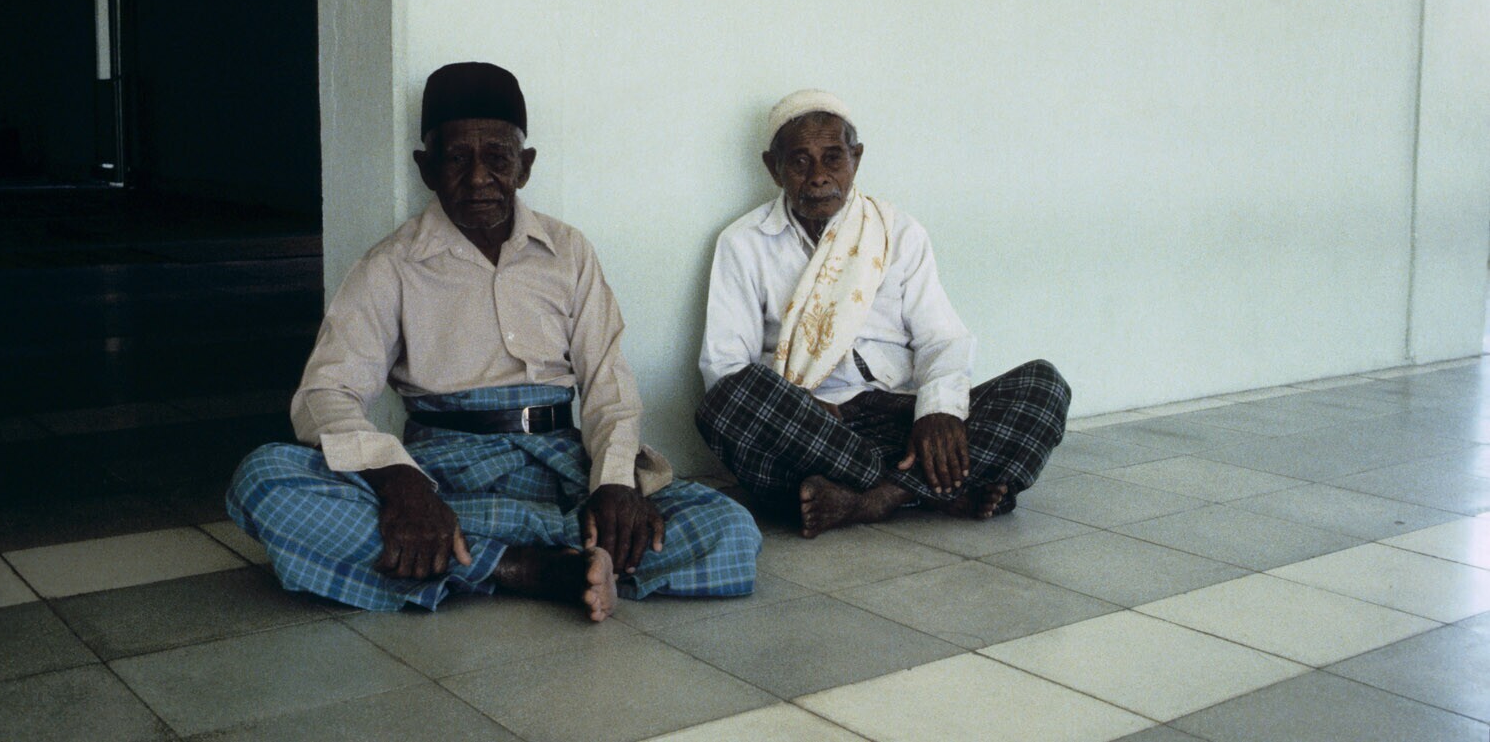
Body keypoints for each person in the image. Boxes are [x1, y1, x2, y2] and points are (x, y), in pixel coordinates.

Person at [229, 62, 759, 619]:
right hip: (444, 479)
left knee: (729, 529)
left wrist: (614, 482)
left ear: (525, 167)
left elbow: (609, 383)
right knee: (264, 481)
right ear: (427, 168)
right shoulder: (390, 266)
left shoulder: (568, 251)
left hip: (562, 474)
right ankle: (533, 568)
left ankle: (477, 559)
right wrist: (400, 482)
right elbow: (325, 394)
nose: (479, 178)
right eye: (457, 158)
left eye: (499, 159)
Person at [696, 89, 1068, 538]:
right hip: (813, 428)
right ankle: (931, 489)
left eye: (833, 158)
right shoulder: (743, 242)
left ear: (856, 158)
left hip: (900, 416)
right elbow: (725, 366)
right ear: (773, 167)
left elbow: (942, 339)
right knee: (726, 403)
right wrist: (805, 406)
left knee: (1043, 386)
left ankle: (873, 499)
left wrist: (938, 411)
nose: (818, 177)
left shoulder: (899, 232)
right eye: (800, 161)